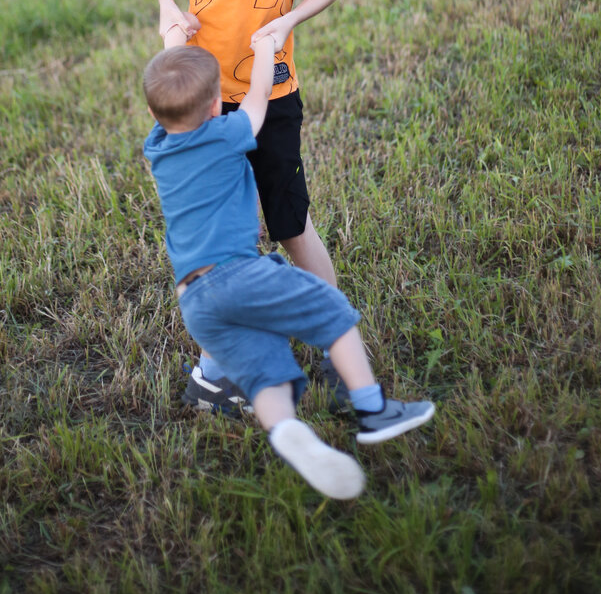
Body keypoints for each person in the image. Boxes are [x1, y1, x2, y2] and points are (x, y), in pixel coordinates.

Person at [142, 39, 435, 500]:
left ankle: (284, 431)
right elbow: (257, 102)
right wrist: (264, 54)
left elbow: (174, 99)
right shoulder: (224, 134)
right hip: (236, 275)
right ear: (217, 104)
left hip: (195, 303)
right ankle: (373, 409)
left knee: (266, 374)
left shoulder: (157, 149)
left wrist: (174, 46)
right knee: (332, 312)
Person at [142, 0, 352, 410]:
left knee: (289, 222)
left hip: (271, 91)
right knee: (222, 241)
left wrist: (289, 21)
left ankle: (340, 348)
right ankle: (225, 366)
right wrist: (166, 7)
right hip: (207, 95)